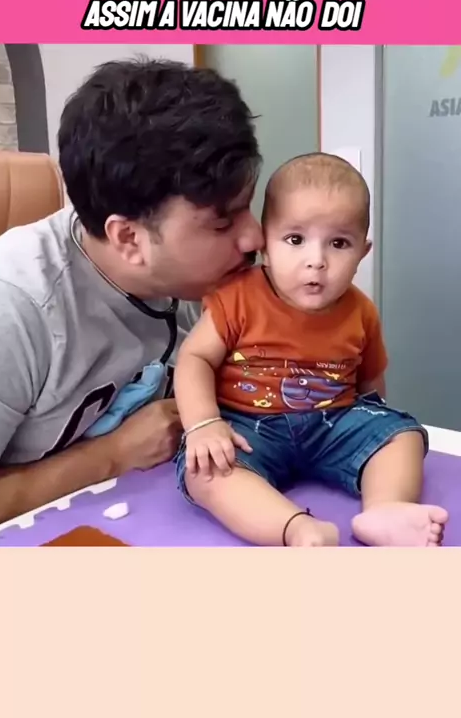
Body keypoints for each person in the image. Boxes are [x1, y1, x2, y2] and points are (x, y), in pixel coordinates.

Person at [0, 57, 263, 531]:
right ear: (129, 238)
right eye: (222, 223)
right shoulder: (7, 308)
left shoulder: (203, 280)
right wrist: (111, 455)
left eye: (248, 207)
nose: (255, 237)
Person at [174, 153, 449, 547]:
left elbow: (371, 386)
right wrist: (203, 424)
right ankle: (295, 528)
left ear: (362, 252)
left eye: (338, 243)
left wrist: (373, 435)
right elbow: (195, 358)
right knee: (205, 470)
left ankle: (385, 509)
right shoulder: (237, 297)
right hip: (247, 428)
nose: (316, 261)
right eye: (295, 239)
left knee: (402, 435)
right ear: (266, 243)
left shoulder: (361, 311)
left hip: (332, 423)